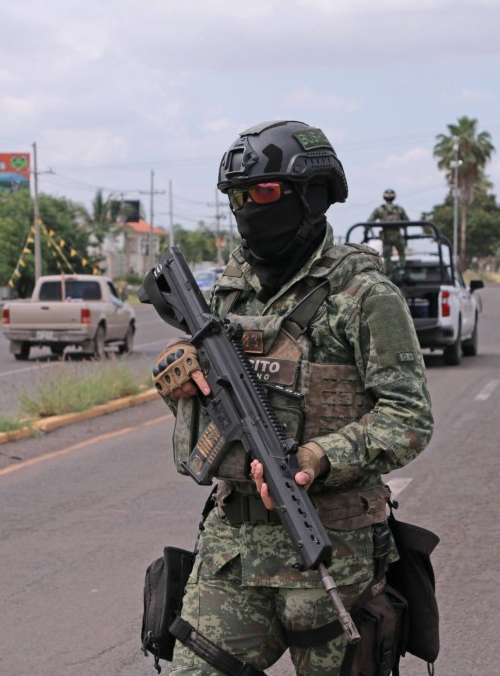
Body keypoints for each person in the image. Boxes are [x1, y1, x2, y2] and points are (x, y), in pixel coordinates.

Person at [153, 120, 434, 675]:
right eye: (236, 196)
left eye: (260, 192)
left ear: (311, 194)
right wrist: (180, 381)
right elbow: (212, 400)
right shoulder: (227, 291)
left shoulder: (364, 294)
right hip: (232, 549)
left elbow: (409, 416)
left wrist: (321, 456)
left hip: (333, 553)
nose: (245, 208)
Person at [366, 189, 409, 274]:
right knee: (402, 253)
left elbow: (369, 222)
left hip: (386, 237)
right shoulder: (399, 209)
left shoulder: (380, 209)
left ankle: (389, 275)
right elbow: (407, 221)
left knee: (387, 257)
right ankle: (402, 270)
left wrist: (365, 233)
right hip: (397, 235)